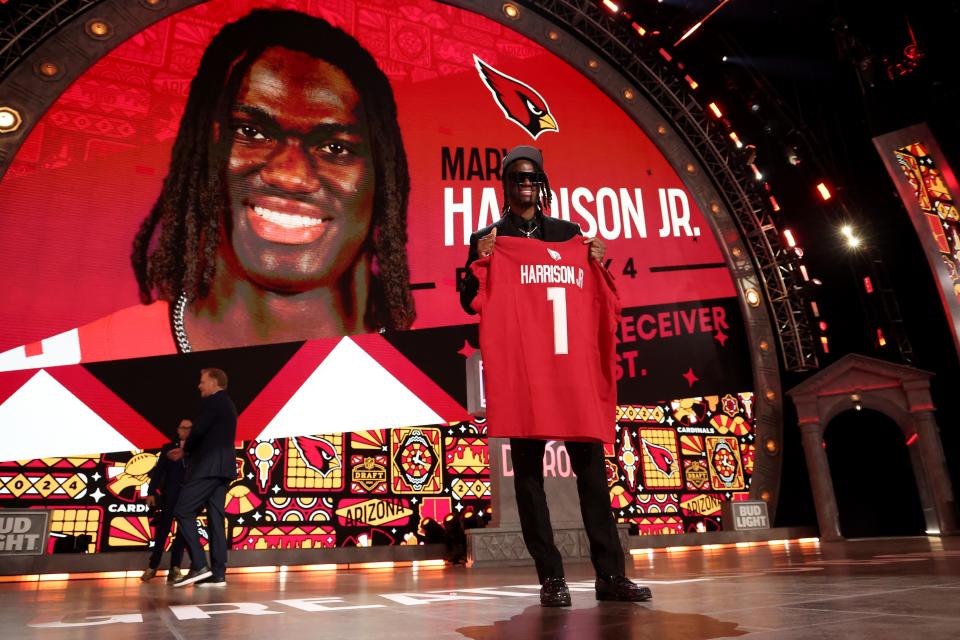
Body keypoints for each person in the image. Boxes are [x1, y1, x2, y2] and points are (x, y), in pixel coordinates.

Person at [0, 8, 415, 372]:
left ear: (382, 178)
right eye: (251, 131)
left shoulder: (432, 366)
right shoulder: (56, 369)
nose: (289, 176)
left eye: (334, 147)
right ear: (204, 148)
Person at [460, 145, 652, 607]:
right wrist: (478, 263)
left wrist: (598, 260)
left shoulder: (569, 234)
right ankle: (552, 578)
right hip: (524, 375)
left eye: (532, 178)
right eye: (518, 178)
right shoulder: (488, 237)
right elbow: (470, 301)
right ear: (505, 184)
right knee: (528, 480)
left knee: (591, 476)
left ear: (542, 183)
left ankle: (610, 576)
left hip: (569, 375)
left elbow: (597, 292)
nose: (526, 185)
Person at [173, 368, 237, 587]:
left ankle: (199, 565)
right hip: (222, 469)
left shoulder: (214, 402)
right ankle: (218, 573)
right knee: (216, 521)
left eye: (202, 381)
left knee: (182, 510)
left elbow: (198, 431)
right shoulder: (227, 403)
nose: (199, 386)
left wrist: (184, 449)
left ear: (214, 382)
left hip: (208, 467)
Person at [140, 419, 191, 583]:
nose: (186, 431)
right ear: (178, 430)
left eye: (190, 428)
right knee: (163, 531)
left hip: (189, 496)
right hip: (170, 495)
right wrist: (151, 492)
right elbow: (158, 472)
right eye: (183, 427)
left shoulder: (197, 448)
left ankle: (175, 568)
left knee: (183, 533)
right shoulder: (168, 448)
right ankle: (153, 566)